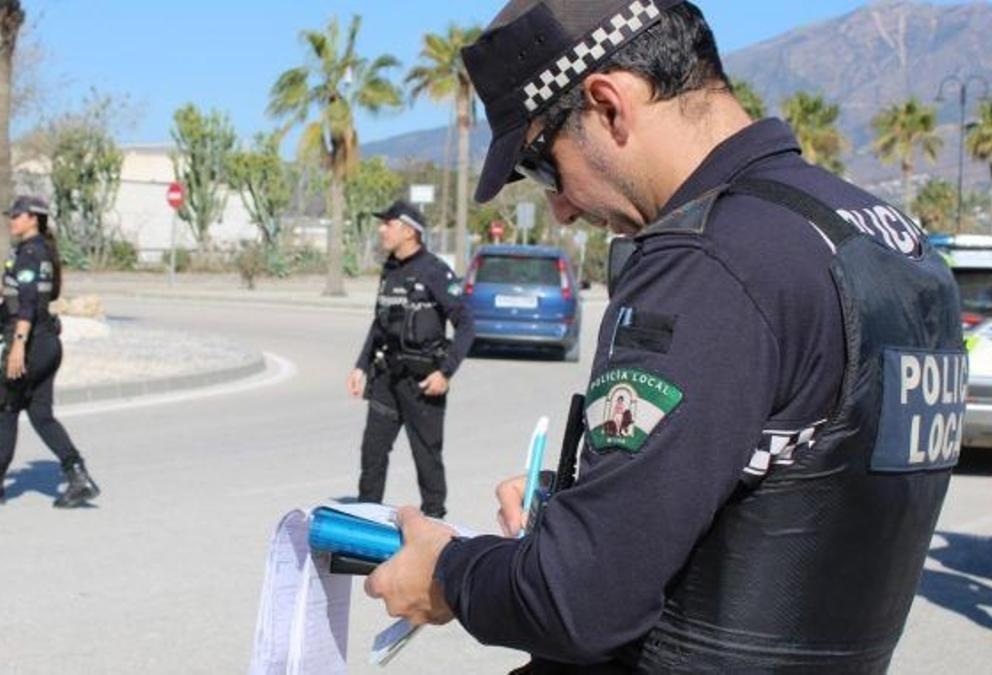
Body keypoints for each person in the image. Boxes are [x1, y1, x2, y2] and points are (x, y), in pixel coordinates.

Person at [364, 1, 964, 672]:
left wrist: (449, 571)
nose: (560, 208)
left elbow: (578, 601)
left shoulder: (709, 262)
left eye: (541, 165)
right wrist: (590, 509)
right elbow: (794, 486)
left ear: (609, 105)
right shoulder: (885, 240)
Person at [0, 196, 101, 509]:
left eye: (17, 215)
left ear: (34, 218)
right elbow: (38, 294)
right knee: (40, 414)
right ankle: (78, 477)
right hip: (48, 342)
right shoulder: (43, 252)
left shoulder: (30, 253)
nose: (12, 220)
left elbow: (28, 304)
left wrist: (18, 344)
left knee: (6, 407)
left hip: (32, 343)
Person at [347, 200, 475, 519]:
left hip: (423, 382)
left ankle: (433, 524)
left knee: (427, 458)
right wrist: (361, 365)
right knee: (372, 454)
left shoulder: (434, 271)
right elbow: (380, 323)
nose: (381, 230)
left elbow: (467, 325)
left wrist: (445, 373)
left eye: (387, 224)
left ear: (408, 231)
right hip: (386, 378)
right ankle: (366, 520)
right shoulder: (389, 269)